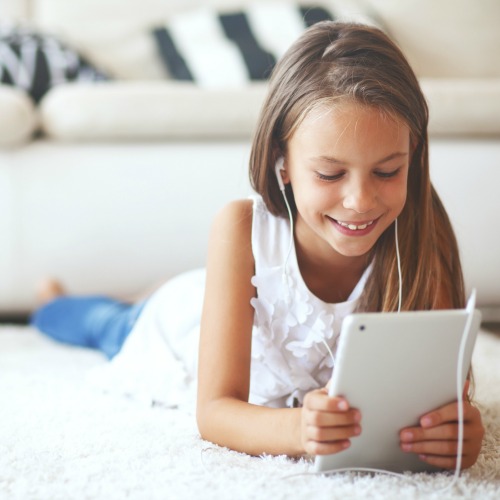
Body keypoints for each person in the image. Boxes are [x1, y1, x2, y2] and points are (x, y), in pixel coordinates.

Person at [31, 21, 484, 469]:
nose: (360, 201)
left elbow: (440, 401)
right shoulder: (240, 227)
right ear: (281, 162)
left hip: (222, 305)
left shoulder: (424, 232)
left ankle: (169, 288)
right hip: (175, 329)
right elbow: (214, 412)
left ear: (414, 154)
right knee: (104, 324)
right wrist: (297, 429)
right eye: (329, 174)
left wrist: (458, 431)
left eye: (387, 172)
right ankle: (57, 299)